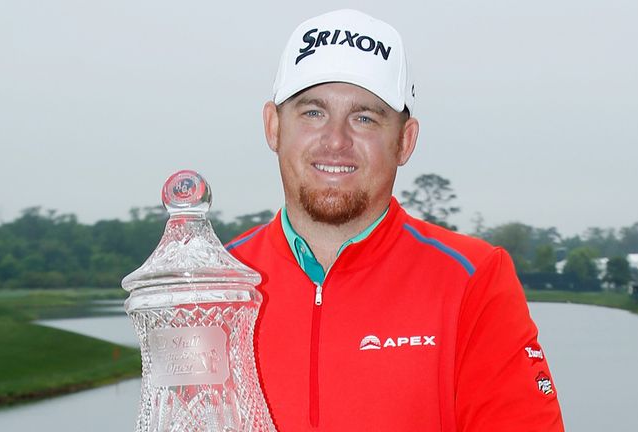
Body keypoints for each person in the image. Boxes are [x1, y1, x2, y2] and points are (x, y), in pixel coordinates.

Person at [226, 9, 564, 431]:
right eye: (313, 113)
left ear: (405, 141)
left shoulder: (472, 280)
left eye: (364, 118)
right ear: (274, 127)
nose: (336, 140)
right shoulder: (213, 284)